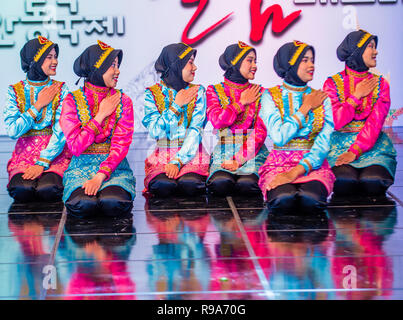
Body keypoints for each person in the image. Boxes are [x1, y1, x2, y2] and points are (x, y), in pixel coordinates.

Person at [61, 40, 135, 218]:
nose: (117, 71)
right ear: (97, 67)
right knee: (83, 204)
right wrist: (100, 116)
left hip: (114, 169)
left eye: (117, 65)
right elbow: (76, 147)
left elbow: (121, 146)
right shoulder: (72, 101)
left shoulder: (123, 100)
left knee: (113, 203)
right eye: (112, 66)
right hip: (80, 168)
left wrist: (100, 176)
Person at [258, 41, 335, 214]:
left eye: (312, 60)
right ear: (289, 63)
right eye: (305, 60)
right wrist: (305, 108)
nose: (312, 65)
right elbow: (278, 137)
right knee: (282, 201)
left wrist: (295, 173)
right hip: (279, 164)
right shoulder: (270, 96)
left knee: (311, 201)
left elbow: (324, 143)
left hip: (312, 164)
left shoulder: (322, 98)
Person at [324, 30, 396, 199]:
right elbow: (335, 121)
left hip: (372, 146)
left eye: (375, 47)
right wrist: (355, 97)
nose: (376, 51)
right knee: (343, 182)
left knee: (373, 182)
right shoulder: (332, 83)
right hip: (339, 147)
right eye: (370, 46)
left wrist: (355, 151)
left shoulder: (380, 84)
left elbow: (375, 123)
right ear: (356, 51)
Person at [4, 36, 71, 203]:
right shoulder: (14, 90)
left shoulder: (60, 89)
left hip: (55, 155)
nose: (55, 61)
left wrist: (43, 162)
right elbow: (13, 131)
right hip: (24, 156)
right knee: (22, 191)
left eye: (55, 56)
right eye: (49, 57)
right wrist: (38, 106)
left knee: (48, 190)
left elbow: (61, 130)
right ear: (35, 60)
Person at [142, 43, 209, 198]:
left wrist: (178, 161)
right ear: (175, 65)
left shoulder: (198, 91)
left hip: (192, 154)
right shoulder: (152, 94)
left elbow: (196, 130)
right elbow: (155, 131)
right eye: (190, 62)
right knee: (162, 186)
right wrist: (176, 106)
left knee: (191, 185)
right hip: (162, 156)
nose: (195, 67)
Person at [206, 41, 268, 196]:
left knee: (247, 185)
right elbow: (217, 121)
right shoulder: (214, 90)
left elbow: (260, 132)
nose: (254, 65)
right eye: (249, 60)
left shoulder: (260, 92)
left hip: (252, 151)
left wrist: (238, 160)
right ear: (235, 62)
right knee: (220, 183)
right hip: (224, 150)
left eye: (255, 61)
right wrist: (241, 103)